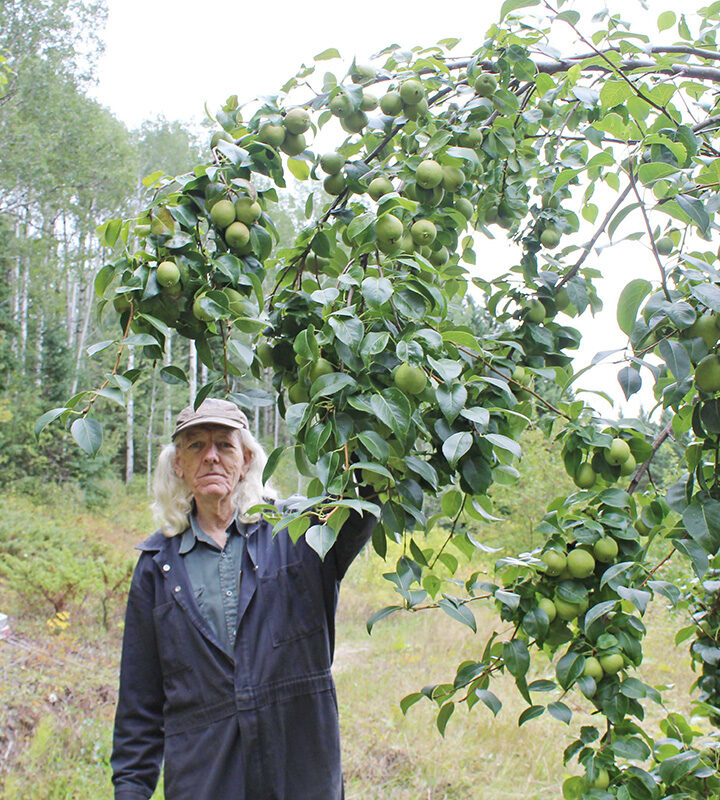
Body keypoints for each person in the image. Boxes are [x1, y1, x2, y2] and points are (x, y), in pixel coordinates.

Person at [111, 397, 377, 800]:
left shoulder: (300, 531)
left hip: (299, 770)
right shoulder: (156, 567)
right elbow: (140, 700)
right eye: (196, 445)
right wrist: (131, 790)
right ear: (178, 465)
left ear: (248, 459)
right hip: (206, 776)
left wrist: (346, 398)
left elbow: (364, 500)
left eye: (225, 444)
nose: (211, 456)